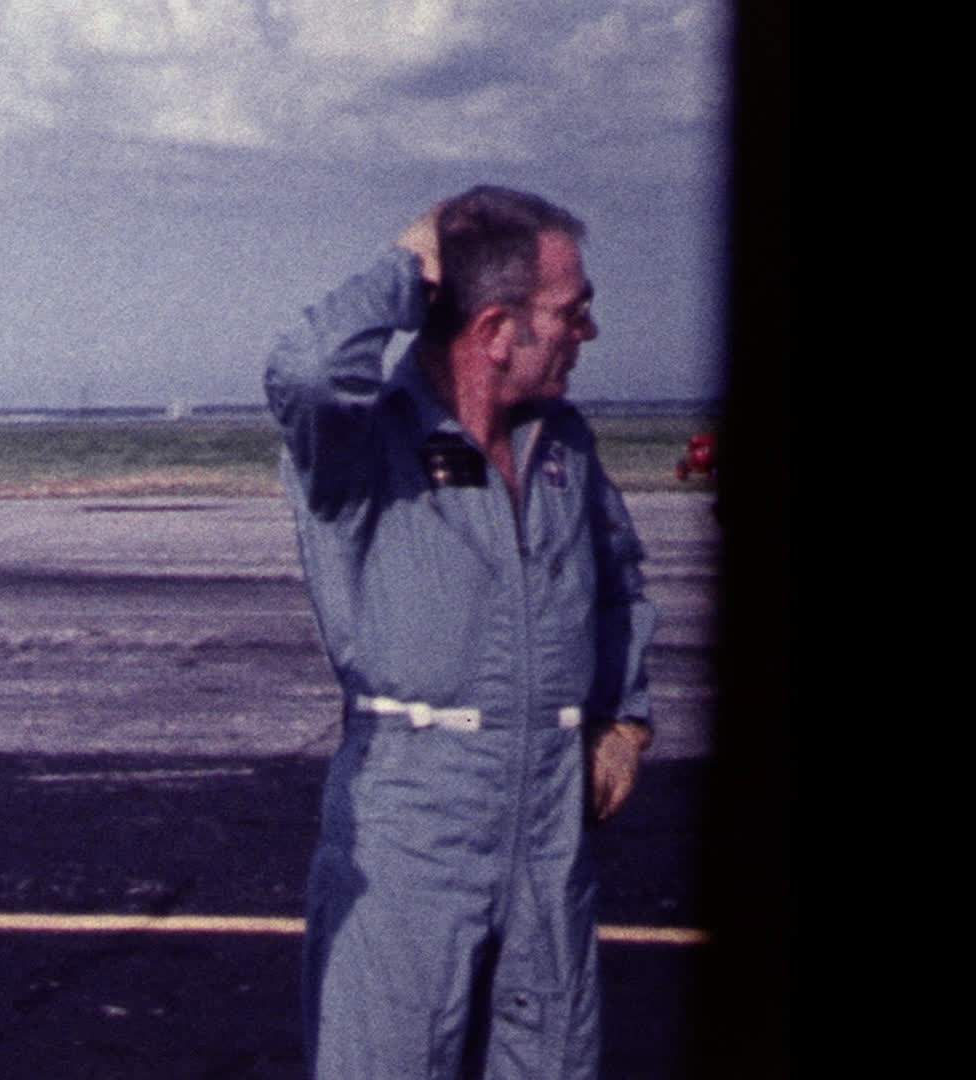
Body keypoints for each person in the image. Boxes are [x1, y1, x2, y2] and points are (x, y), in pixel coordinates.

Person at [264, 186, 656, 1079]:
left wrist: (624, 718)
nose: (587, 333)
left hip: (550, 837)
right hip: (410, 832)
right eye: (572, 311)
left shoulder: (564, 445)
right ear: (492, 330)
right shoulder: (361, 444)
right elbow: (310, 369)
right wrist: (406, 264)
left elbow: (619, 582)